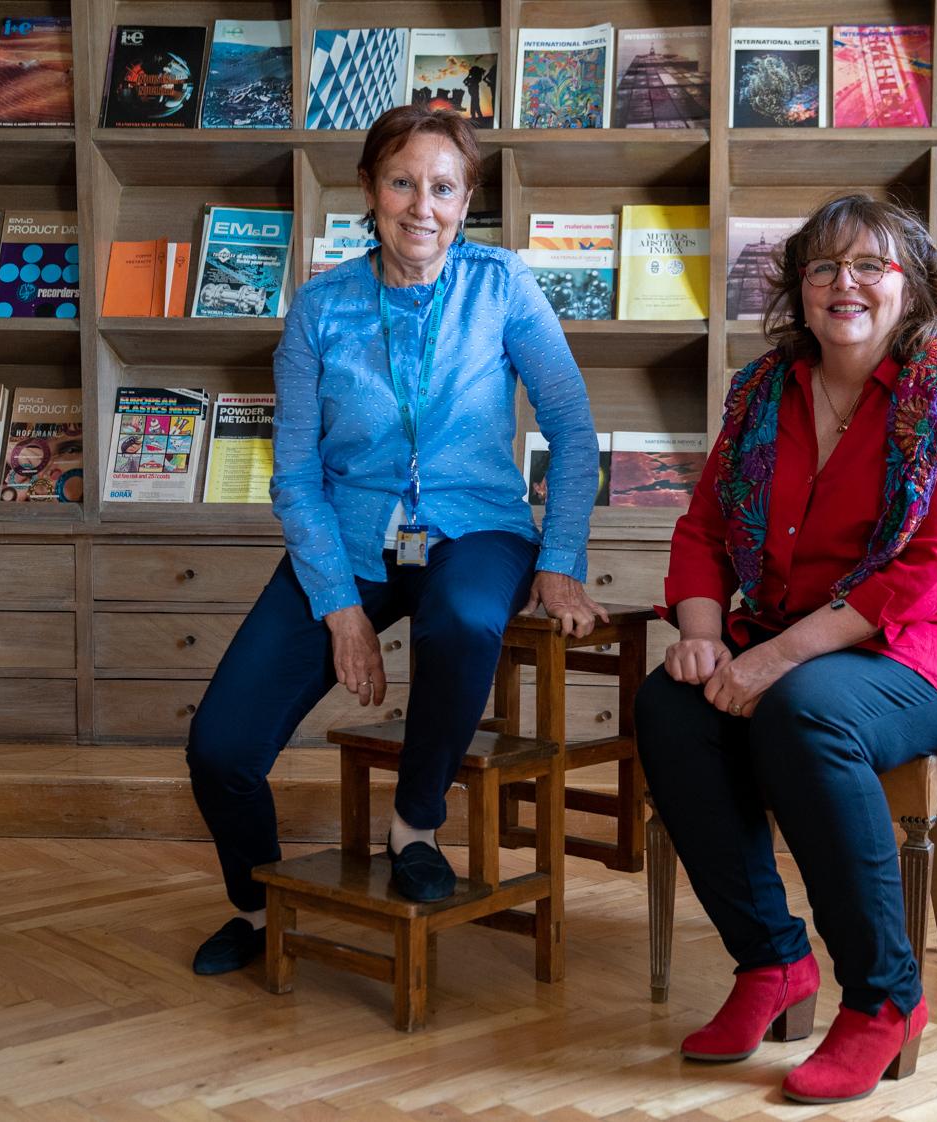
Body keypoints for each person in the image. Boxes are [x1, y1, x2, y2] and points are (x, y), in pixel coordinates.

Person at [186, 105, 606, 976]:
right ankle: (261, 909)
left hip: (476, 528)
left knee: (461, 621)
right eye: (402, 182)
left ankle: (415, 826)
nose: (423, 205)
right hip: (344, 539)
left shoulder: (504, 286)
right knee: (220, 748)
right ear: (370, 191)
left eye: (443, 187)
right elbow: (296, 473)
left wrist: (560, 562)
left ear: (467, 200)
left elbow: (571, 427)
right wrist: (340, 609)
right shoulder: (320, 307)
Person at [635, 194, 937, 1105]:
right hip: (794, 634)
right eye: (822, 267)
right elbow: (701, 527)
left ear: (913, 285)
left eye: (869, 266)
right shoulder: (763, 392)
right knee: (669, 702)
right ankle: (772, 962)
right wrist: (702, 636)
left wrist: (777, 660)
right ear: (799, 290)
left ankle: (886, 1000)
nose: (843, 284)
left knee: (805, 711)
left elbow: (926, 569)